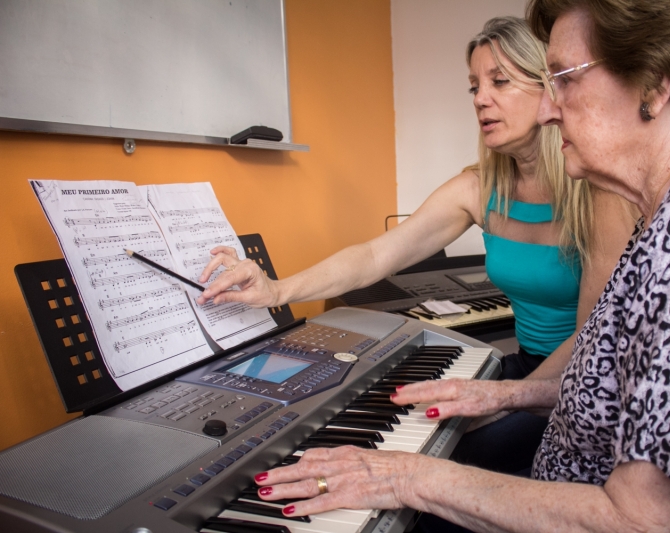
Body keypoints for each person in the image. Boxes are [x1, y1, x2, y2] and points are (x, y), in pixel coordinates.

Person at [240, 1, 670, 532]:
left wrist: (409, 477)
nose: (550, 108)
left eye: (565, 78)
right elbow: (625, 385)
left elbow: (647, 521)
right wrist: (506, 394)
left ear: (654, 84)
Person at [198, 17, 634, 475]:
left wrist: (502, 404)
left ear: (548, 89)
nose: (481, 99)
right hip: (523, 364)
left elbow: (591, 342)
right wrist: (277, 290)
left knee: (463, 451)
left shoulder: (598, 194)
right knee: (414, 427)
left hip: (579, 381)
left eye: (499, 81)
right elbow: (374, 256)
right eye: (474, 86)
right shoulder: (478, 189)